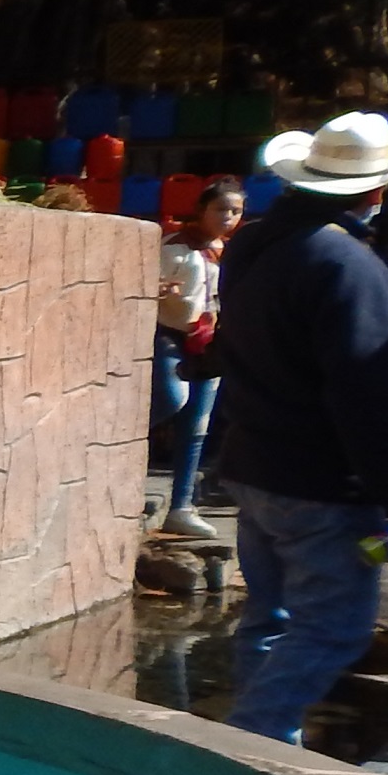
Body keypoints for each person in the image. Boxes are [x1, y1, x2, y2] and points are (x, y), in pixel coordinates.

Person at [208, 113, 388, 742]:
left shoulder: (253, 245)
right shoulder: (347, 265)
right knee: (331, 629)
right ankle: (250, 750)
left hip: (252, 467)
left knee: (270, 620)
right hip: (317, 486)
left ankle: (246, 744)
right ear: (375, 188)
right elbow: (365, 396)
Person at [153, 178, 243, 540]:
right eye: (221, 209)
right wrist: (160, 289)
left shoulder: (229, 252)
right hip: (171, 335)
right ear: (202, 210)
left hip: (209, 343)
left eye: (235, 211)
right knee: (171, 398)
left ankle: (181, 507)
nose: (228, 217)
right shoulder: (175, 245)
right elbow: (148, 283)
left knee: (197, 426)